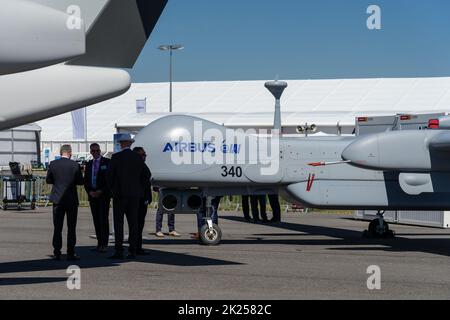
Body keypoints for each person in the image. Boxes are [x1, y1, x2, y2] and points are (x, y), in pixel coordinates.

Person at [107, 134, 150, 260]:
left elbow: (109, 176)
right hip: (135, 195)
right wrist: (139, 187)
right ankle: (132, 250)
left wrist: (113, 189)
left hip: (119, 195)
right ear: (130, 144)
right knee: (133, 223)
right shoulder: (137, 158)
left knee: (118, 224)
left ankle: (119, 250)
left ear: (121, 144)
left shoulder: (116, 157)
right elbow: (147, 174)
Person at [46, 144, 84, 261]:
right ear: (70, 152)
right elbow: (80, 181)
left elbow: (48, 180)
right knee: (71, 228)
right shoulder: (74, 165)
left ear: (61, 152)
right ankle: (70, 252)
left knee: (57, 227)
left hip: (57, 199)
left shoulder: (53, 164)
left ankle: (57, 252)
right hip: (71, 199)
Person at [83, 143, 111, 253]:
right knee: (96, 220)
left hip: (103, 196)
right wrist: (90, 191)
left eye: (97, 151)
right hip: (92, 195)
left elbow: (109, 180)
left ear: (100, 151)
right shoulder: (89, 164)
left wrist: (101, 191)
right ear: (90, 152)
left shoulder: (107, 162)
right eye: (93, 151)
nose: (95, 153)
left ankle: (105, 243)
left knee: (103, 219)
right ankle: (99, 243)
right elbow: (86, 180)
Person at [132, 147, 153, 255]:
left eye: (144, 154)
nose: (145, 156)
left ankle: (136, 247)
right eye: (143, 154)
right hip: (140, 200)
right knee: (138, 224)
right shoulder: (139, 167)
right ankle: (136, 248)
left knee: (138, 224)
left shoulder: (140, 166)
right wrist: (145, 198)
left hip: (140, 199)